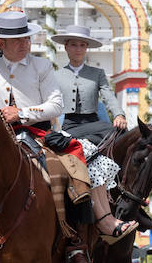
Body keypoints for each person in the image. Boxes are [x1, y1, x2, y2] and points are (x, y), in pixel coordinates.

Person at [0, 9, 134, 263]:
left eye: (27, 38)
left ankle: (76, 243)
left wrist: (21, 113)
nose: (26, 43)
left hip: (37, 134)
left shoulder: (42, 66)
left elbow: (56, 105)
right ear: (2, 43)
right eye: (19, 40)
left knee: (75, 170)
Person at [51, 23, 132, 237]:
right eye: (74, 45)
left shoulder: (97, 73)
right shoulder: (56, 75)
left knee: (122, 136)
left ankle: (125, 190)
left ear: (86, 48)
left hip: (93, 123)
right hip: (70, 125)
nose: (78, 49)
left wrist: (119, 115)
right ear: (66, 48)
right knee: (80, 149)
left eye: (82, 45)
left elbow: (108, 96)